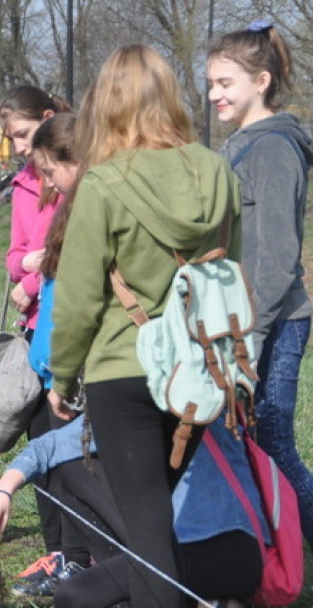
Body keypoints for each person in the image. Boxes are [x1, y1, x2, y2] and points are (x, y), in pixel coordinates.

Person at [49, 45, 242, 608]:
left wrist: (61, 375)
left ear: (105, 105)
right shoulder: (217, 170)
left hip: (124, 369)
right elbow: (231, 271)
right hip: (199, 371)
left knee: (147, 527)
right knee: (157, 516)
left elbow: (77, 299)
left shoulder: (103, 183)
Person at [0, 413, 263, 608]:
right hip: (163, 540)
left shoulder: (201, 403)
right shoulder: (125, 400)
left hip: (220, 545)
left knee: (77, 602)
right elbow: (50, 446)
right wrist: (2, 491)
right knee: (69, 469)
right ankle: (140, 603)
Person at [207, 22, 313, 562]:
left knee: (274, 444)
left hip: (273, 323)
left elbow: (276, 259)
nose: (214, 94)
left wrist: (251, 336)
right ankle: (270, 558)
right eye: (211, 83)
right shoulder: (240, 144)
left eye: (226, 83)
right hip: (242, 321)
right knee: (247, 443)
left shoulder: (272, 149)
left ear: (262, 81)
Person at [0, 86, 76, 596]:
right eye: (12, 139)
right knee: (40, 436)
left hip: (68, 321)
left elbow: (68, 250)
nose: (20, 147)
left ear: (48, 118)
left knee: (74, 444)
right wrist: (26, 268)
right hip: (34, 330)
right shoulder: (24, 183)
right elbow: (15, 255)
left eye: (24, 134)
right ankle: (56, 551)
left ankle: (85, 553)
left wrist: (31, 278)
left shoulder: (71, 175)